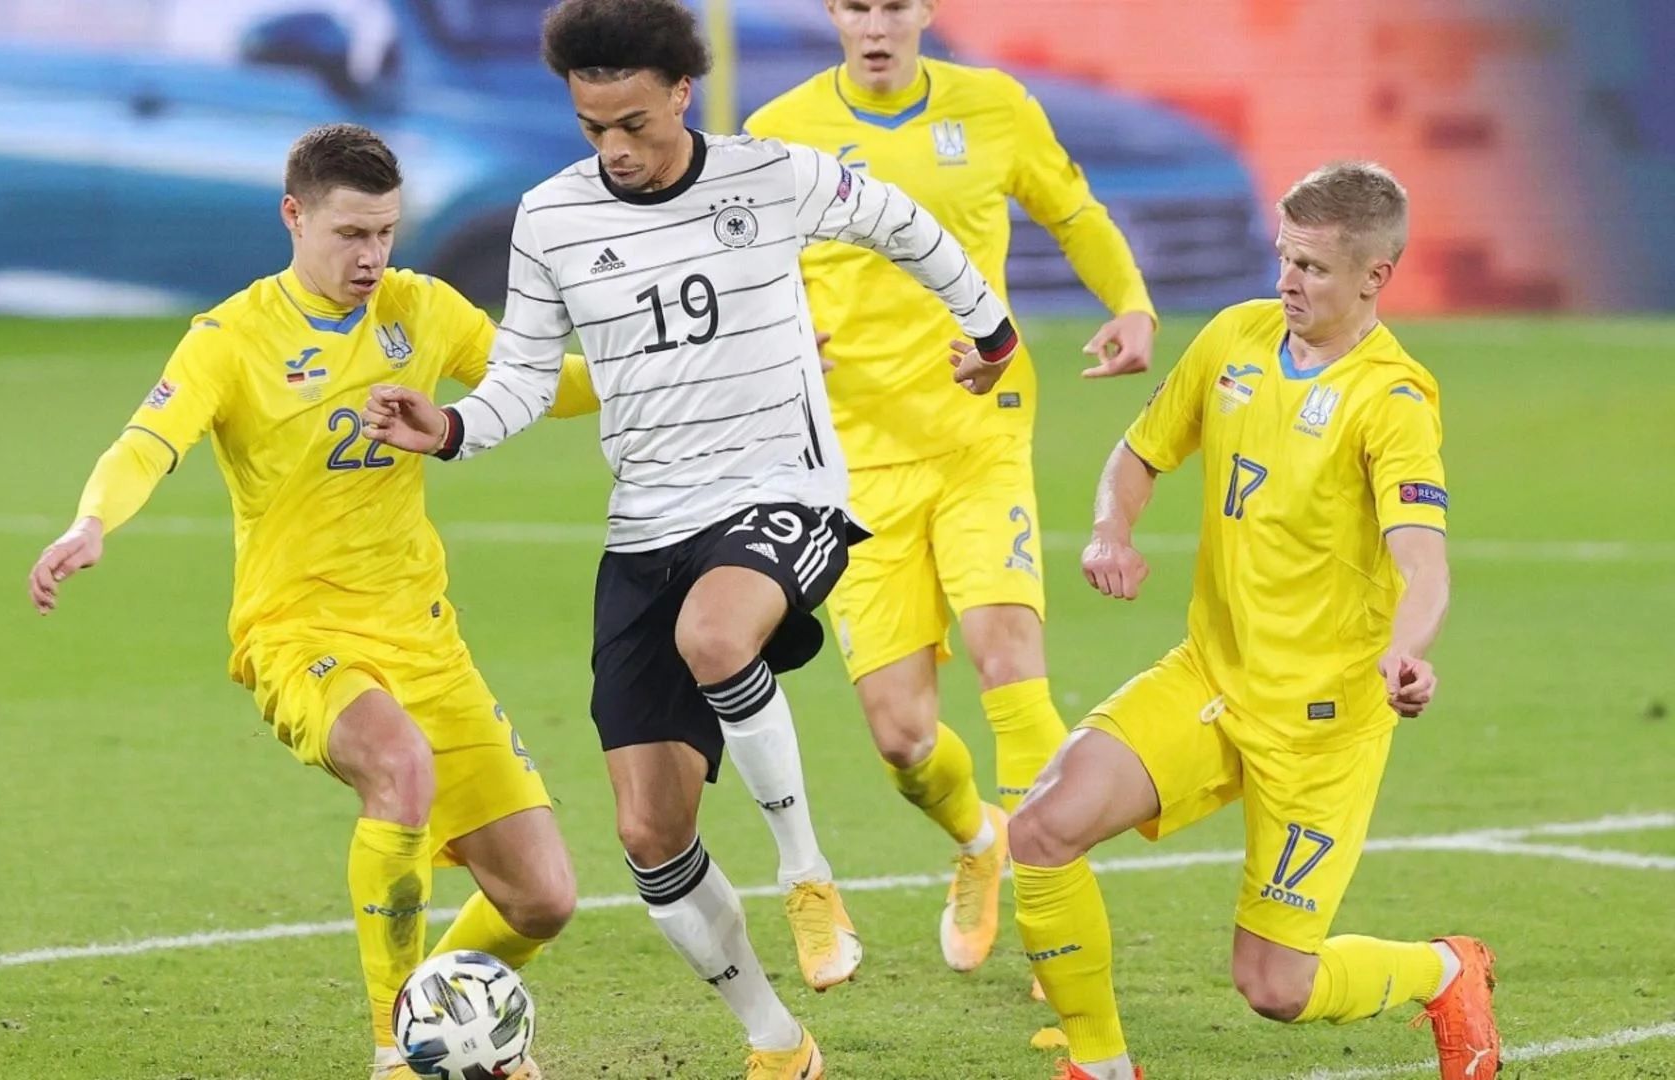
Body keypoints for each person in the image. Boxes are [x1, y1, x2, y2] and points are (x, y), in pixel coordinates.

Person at [360, 2, 1022, 1073]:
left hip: (783, 490)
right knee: (649, 836)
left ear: (681, 91)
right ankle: (778, 1043)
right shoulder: (552, 218)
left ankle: (807, 877)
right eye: (593, 128)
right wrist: (448, 428)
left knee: (716, 637)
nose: (616, 148)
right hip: (646, 533)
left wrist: (990, 330)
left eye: (634, 123)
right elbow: (523, 377)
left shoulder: (770, 175)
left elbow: (903, 222)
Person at [25, 123, 599, 1080]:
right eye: (350, 234)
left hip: (425, 640)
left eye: (386, 233)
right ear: (294, 216)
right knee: (399, 768)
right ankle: (397, 1050)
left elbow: (538, 385)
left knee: (543, 901)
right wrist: (92, 522)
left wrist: (678, 368)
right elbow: (147, 442)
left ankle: (450, 1025)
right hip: (298, 633)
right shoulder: (231, 338)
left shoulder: (422, 309)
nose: (372, 257)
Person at [1005, 162, 1500, 1080]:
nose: (1287, 282)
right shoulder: (1235, 337)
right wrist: (1112, 531)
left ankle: (1443, 971)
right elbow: (1139, 452)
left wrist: (1408, 651)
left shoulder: (1392, 401)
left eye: (1311, 267)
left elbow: (1423, 561)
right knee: (1040, 827)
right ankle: (1102, 1066)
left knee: (1276, 986)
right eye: (1283, 257)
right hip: (1211, 675)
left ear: (1375, 276)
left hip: (1320, 726)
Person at [744, 0, 1158, 978]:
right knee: (902, 738)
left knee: (1007, 657)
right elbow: (737, 263)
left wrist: (1131, 304)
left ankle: (1057, 932)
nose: (876, 25)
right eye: (856, 6)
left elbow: (1073, 211)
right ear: (833, 14)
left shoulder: (995, 106)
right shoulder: (779, 132)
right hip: (853, 460)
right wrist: (775, 336)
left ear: (924, 11)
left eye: (894, 5)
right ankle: (980, 839)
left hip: (982, 430)